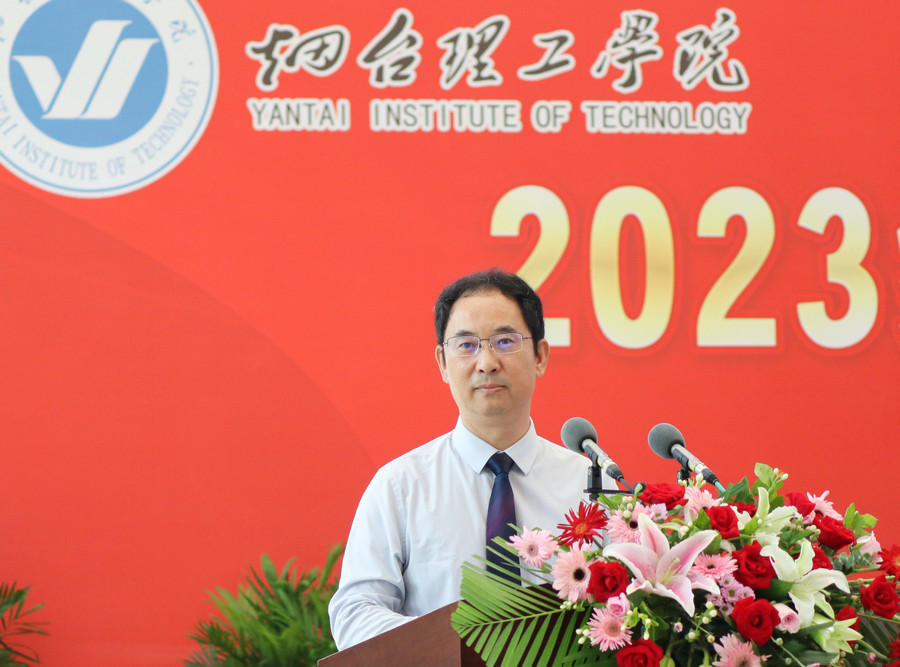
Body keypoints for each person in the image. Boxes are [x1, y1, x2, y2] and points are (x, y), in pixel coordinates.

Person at [327, 268, 597, 650]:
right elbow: (355, 613)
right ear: (442, 362)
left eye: (505, 341)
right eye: (466, 345)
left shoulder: (590, 485)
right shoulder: (400, 487)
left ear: (540, 356)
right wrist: (453, 647)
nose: (486, 362)